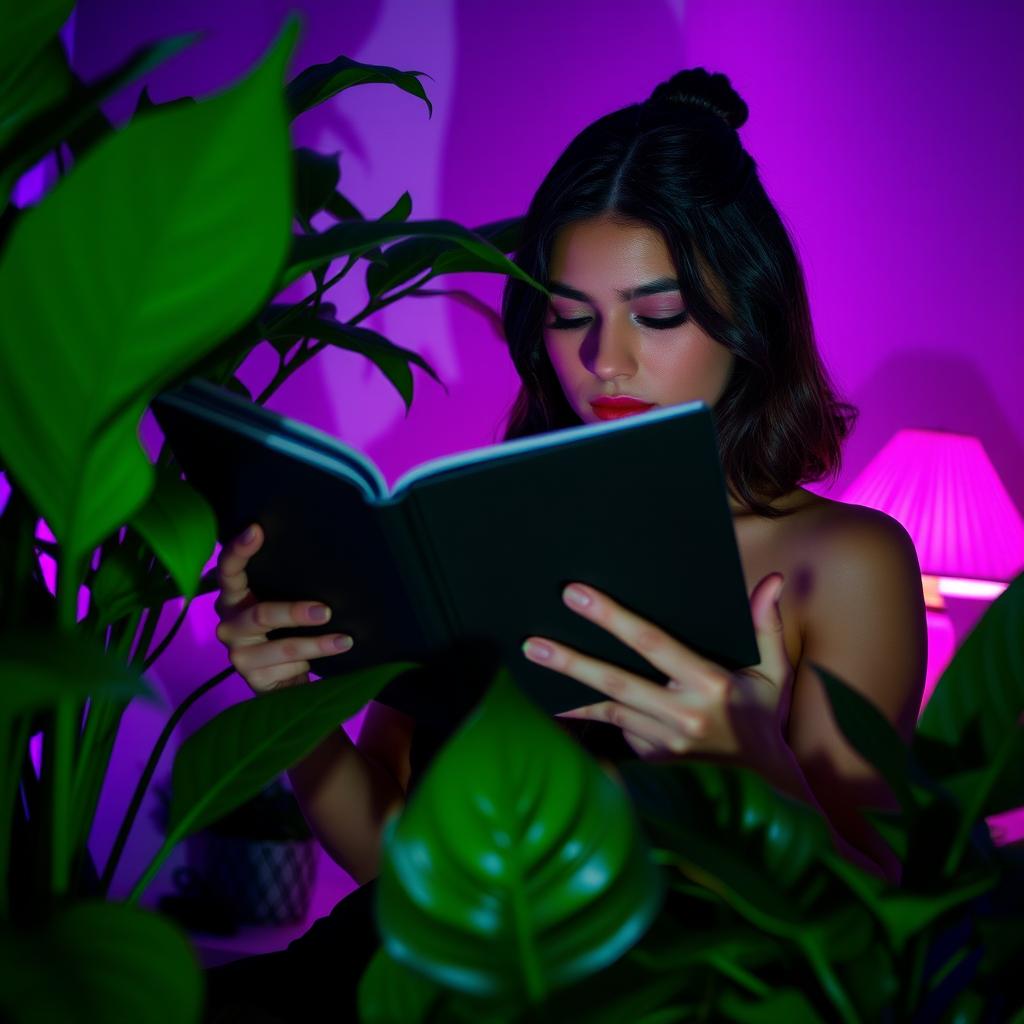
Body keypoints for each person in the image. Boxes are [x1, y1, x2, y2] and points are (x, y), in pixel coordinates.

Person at [204, 68, 927, 1020]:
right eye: (570, 316)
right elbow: (392, 854)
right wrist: (288, 709)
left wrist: (750, 766)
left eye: (657, 316)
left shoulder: (842, 560)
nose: (605, 360)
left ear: (745, 318)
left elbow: (868, 945)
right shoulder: (486, 526)